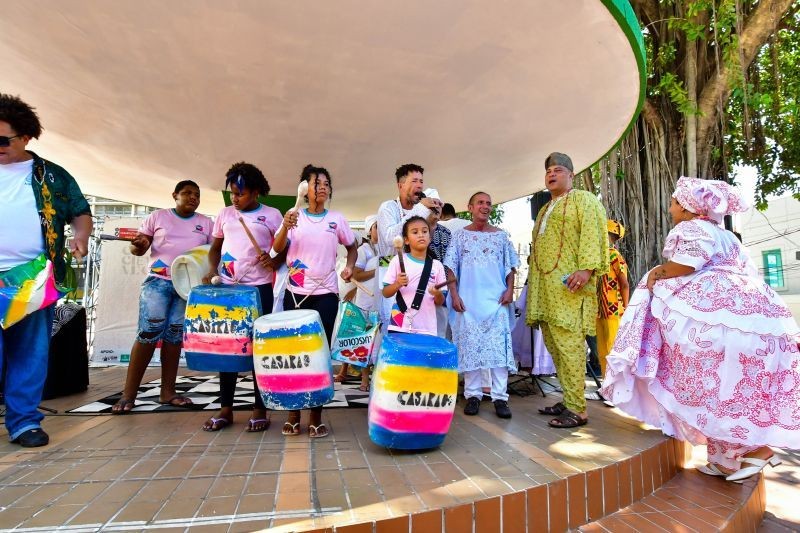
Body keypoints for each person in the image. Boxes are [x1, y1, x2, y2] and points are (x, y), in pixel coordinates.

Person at [601, 177, 800, 482]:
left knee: (706, 382)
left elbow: (688, 263)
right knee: (726, 387)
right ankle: (725, 461)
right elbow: (747, 270)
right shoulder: (727, 236)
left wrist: (658, 273)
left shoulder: (691, 228)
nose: (670, 209)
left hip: (716, 319)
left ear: (686, 207)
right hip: (754, 316)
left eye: (673, 203)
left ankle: (756, 451)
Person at [0, 94, 93, 447]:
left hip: (32, 279)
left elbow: (79, 211)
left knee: (29, 353)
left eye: (2, 140)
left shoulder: (52, 176)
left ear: (25, 137)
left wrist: (81, 235)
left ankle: (24, 422)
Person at [272, 164, 358, 438]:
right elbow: (276, 249)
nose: (322, 187)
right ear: (304, 189)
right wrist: (285, 227)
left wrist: (350, 266)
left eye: (326, 183)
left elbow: (352, 247)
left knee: (319, 355)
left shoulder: (337, 219)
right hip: (296, 294)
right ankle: (293, 414)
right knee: (295, 354)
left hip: (327, 294)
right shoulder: (293, 215)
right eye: (316, 183)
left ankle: (316, 416)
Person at [112, 180, 212, 414]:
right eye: (187, 193)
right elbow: (138, 248)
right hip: (158, 282)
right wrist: (138, 245)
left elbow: (211, 254)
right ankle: (128, 395)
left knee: (174, 336)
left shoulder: (207, 223)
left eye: (197, 194)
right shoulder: (157, 217)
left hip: (187, 287)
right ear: (175, 195)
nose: (193, 197)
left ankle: (168, 392)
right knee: (148, 333)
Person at [526, 152, 608, 428]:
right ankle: (569, 398)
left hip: (570, 288)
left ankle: (577, 409)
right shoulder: (544, 209)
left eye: (558, 170)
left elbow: (593, 234)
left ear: (571, 175)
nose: (551, 174)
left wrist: (586, 269)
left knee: (570, 346)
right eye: (548, 170)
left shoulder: (584, 200)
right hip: (546, 290)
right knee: (555, 346)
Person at [200, 162, 283, 432]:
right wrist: (212, 270)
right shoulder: (225, 214)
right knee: (228, 348)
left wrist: (274, 261)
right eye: (232, 193)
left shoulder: (272, 215)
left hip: (259, 290)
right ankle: (226, 408)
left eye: (240, 194)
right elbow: (215, 248)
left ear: (256, 192)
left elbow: (284, 248)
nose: (235, 199)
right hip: (228, 289)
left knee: (260, 347)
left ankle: (260, 408)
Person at [444, 192, 519, 419]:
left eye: (488, 203)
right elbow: (450, 268)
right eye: (480, 203)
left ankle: (500, 398)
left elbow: (510, 267)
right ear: (470, 207)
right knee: (470, 349)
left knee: (498, 351)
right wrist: (454, 295)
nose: (485, 206)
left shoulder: (501, 236)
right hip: (468, 303)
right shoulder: (459, 236)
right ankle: (473, 395)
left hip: (496, 302)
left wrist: (509, 290)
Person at [376, 164, 442, 332]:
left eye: (421, 181)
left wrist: (432, 222)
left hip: (417, 278)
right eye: (414, 181)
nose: (419, 186)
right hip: (392, 277)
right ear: (400, 185)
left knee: (418, 328)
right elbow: (391, 238)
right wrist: (421, 209)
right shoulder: (388, 207)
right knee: (394, 329)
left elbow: (423, 243)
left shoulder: (421, 209)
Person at [334, 214, 378, 391]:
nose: (380, 230)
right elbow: (356, 275)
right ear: (370, 230)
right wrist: (379, 270)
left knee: (376, 339)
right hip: (364, 301)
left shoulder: (384, 249)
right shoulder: (364, 250)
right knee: (362, 338)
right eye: (376, 227)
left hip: (379, 299)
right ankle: (364, 379)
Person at [382, 216, 447, 336]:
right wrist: (397, 284)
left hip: (427, 327)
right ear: (406, 240)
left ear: (430, 238)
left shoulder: (437, 266)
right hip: (399, 324)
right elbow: (385, 293)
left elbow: (440, 301)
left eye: (424, 231)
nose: (421, 235)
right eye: (415, 232)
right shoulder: (397, 260)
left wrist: (437, 293)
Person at [595, 219, 630, 375]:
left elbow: (624, 284)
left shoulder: (615, 256)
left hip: (614, 310)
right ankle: (607, 382)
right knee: (603, 351)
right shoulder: (598, 257)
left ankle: (616, 384)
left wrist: (627, 309)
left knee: (612, 349)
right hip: (600, 310)